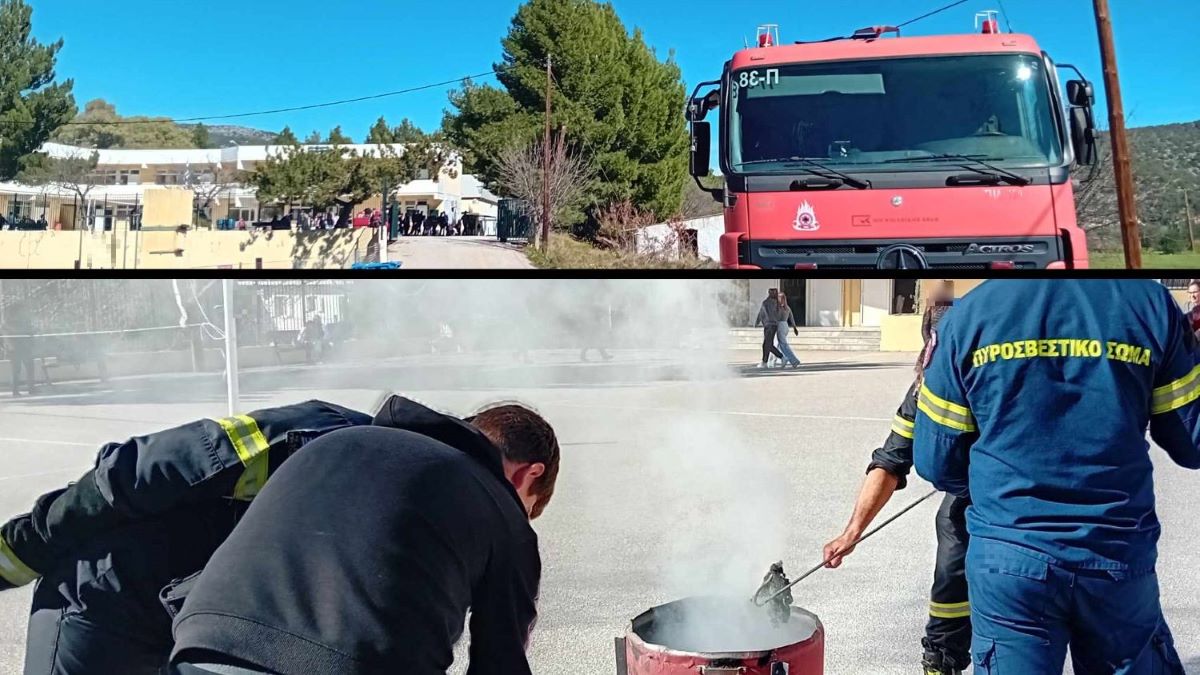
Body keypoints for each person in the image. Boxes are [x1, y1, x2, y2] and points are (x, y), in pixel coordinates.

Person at [913, 279, 1195, 674]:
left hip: (1010, 558)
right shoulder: (1148, 302)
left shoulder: (969, 315)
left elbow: (934, 461)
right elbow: (1191, 442)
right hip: (1115, 553)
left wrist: (997, 489)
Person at [169, 397, 560, 675]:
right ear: (530, 475)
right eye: (530, 507)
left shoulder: (336, 443)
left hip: (202, 645)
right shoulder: (502, 512)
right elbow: (501, 661)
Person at [0, 401, 371, 675]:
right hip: (107, 595)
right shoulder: (325, 437)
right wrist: (22, 548)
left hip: (211, 608)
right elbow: (146, 470)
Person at [823, 378, 972, 675]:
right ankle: (942, 658)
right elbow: (892, 458)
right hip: (969, 493)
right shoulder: (927, 386)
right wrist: (852, 532)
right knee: (952, 529)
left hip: (1026, 493)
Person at [919, 280, 954, 372]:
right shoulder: (930, 306)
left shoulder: (951, 306)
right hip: (933, 340)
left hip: (947, 339)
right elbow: (924, 327)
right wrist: (928, 341)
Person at [4, 304, 37, 397]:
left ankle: (31, 388)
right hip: (15, 349)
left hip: (26, 348)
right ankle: (15, 390)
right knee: (16, 370)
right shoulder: (8, 323)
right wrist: (10, 346)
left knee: (30, 368)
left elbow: (30, 332)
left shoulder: (25, 321)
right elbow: (7, 335)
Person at [755, 288, 785, 368]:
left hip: (770, 325)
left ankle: (764, 362)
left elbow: (761, 313)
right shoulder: (772, 303)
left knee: (766, 344)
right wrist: (757, 321)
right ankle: (781, 357)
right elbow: (761, 313)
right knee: (768, 344)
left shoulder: (771, 303)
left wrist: (757, 321)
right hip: (770, 325)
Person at [774, 292, 802, 368]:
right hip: (785, 326)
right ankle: (773, 361)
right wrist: (794, 328)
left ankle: (794, 360)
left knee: (783, 345)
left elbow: (775, 318)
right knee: (777, 344)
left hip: (780, 326)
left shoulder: (778, 308)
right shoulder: (787, 308)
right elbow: (792, 318)